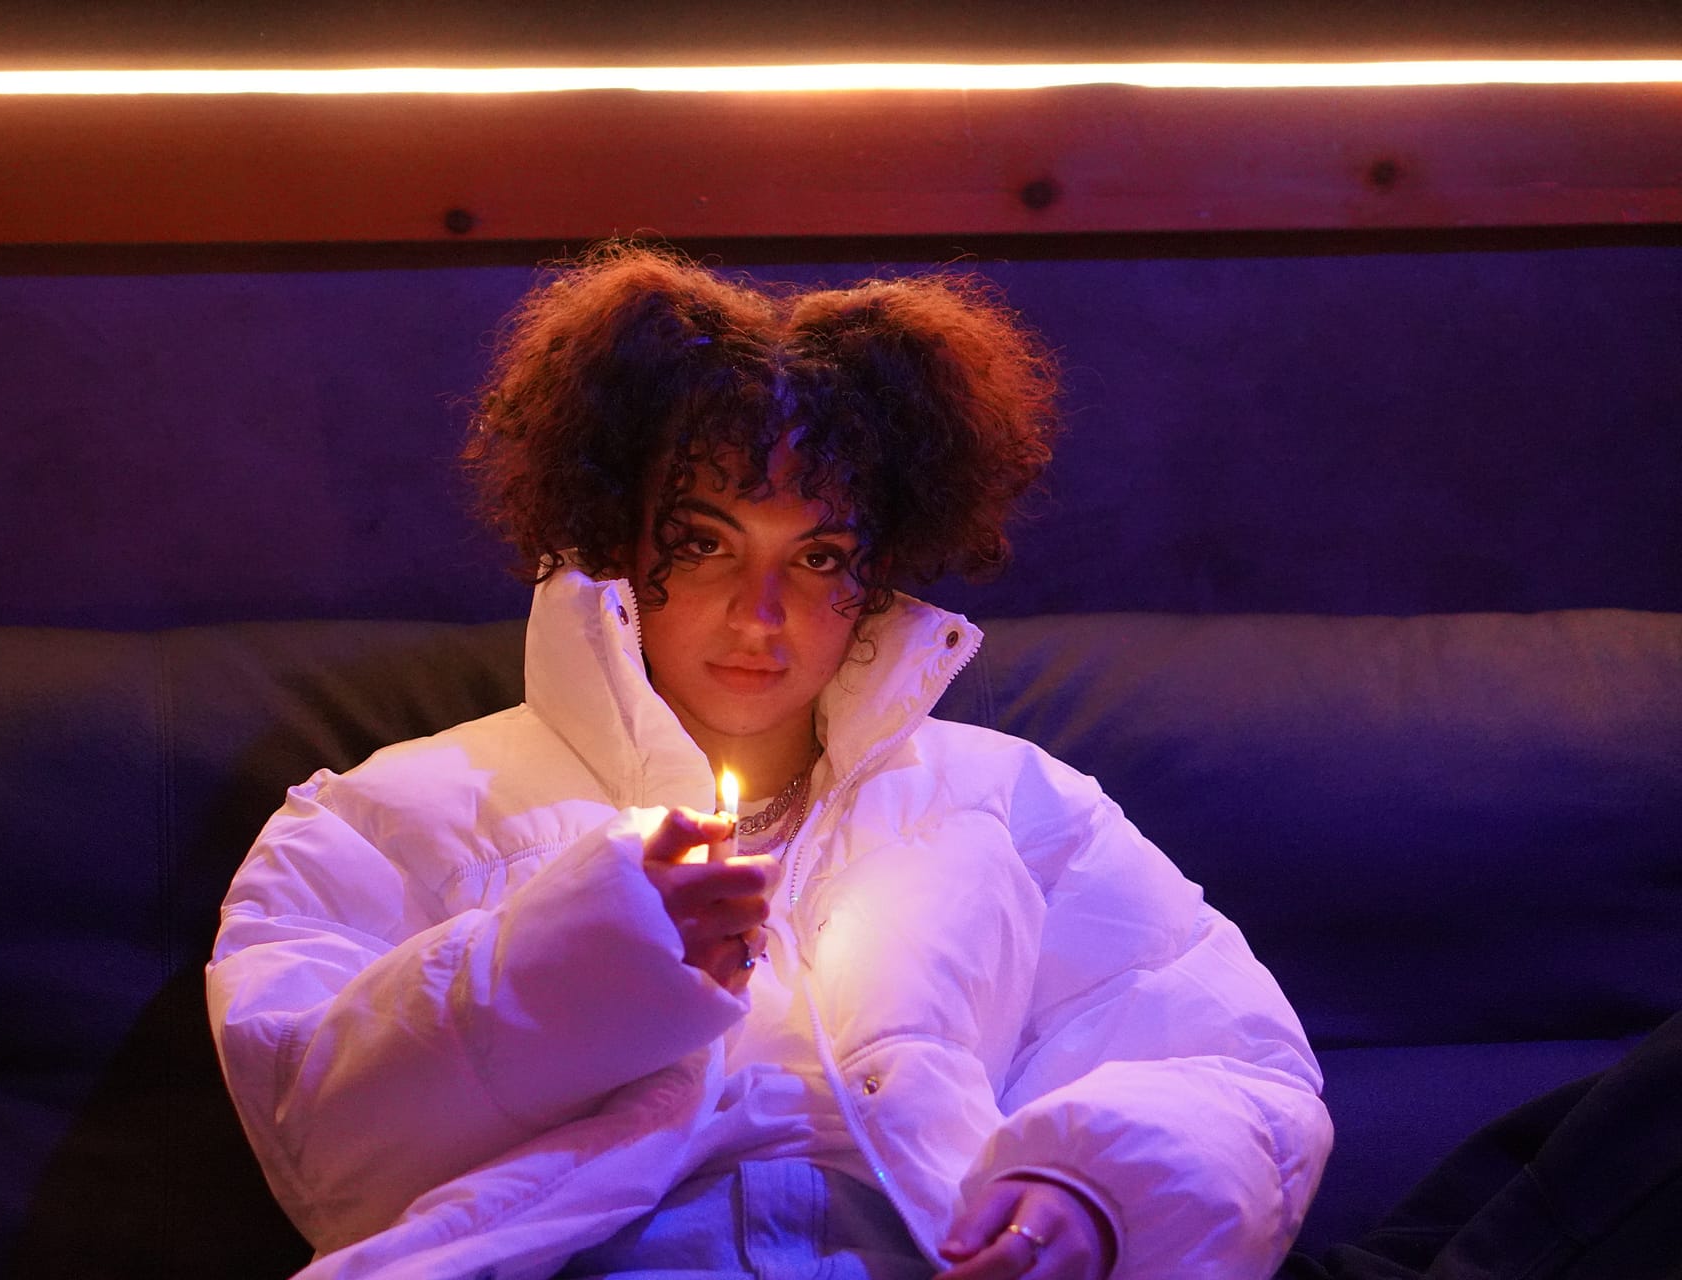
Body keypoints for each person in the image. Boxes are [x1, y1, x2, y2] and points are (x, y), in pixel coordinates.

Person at [206, 243, 1333, 1280]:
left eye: (820, 555)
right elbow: (325, 1149)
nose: (761, 613)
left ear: (879, 570)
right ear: (613, 536)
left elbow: (1235, 1071)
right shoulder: (383, 817)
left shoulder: (1014, 805)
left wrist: (1094, 1193)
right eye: (703, 543)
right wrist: (582, 960)